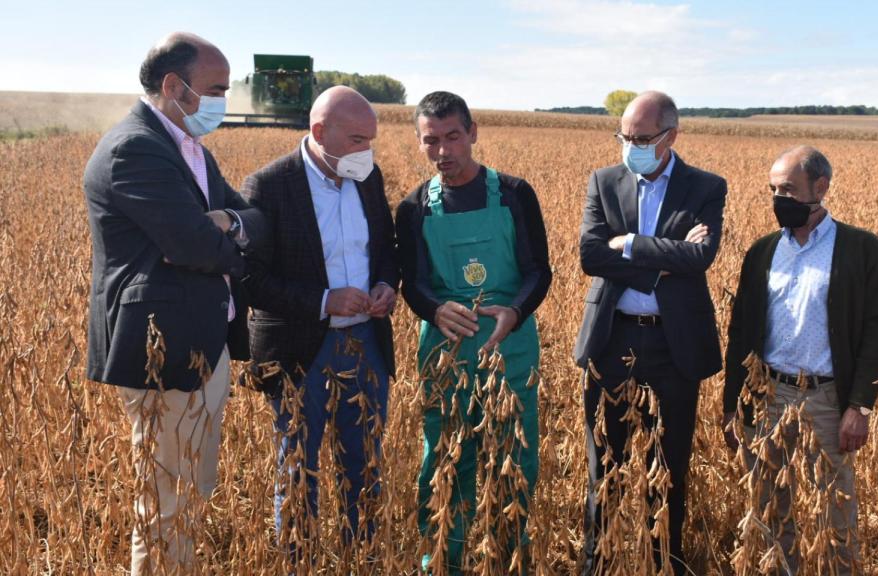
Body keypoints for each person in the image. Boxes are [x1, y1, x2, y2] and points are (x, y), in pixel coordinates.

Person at [83, 32, 264, 575]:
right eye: (215, 88)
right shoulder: (133, 148)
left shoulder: (189, 148)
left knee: (189, 495)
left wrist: (229, 224)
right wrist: (235, 246)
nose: (222, 101)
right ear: (173, 85)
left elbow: (248, 216)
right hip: (164, 356)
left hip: (201, 345)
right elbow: (190, 245)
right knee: (164, 506)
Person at [395, 91, 551, 574]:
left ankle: (509, 561)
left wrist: (516, 312)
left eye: (452, 137)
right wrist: (436, 310)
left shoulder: (514, 193)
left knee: (515, 462)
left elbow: (538, 270)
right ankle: (442, 560)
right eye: (431, 141)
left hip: (512, 347)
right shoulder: (415, 206)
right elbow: (412, 283)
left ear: (473, 133)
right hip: (445, 353)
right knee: (444, 462)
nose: (443, 151)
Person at [722, 145, 878, 574]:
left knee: (835, 514)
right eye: (772, 189)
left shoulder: (860, 248)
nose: (778, 199)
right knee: (768, 510)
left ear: (821, 187)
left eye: (788, 189)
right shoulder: (763, 251)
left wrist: (859, 405)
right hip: (768, 394)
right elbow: (740, 331)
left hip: (826, 399)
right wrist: (732, 404)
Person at [240, 86, 398, 557]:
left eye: (370, 140)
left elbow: (386, 250)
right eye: (356, 140)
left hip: (365, 342)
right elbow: (249, 278)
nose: (365, 151)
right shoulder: (268, 186)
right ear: (318, 132)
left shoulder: (368, 178)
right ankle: (299, 559)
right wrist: (325, 300)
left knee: (364, 460)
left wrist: (388, 286)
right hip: (299, 347)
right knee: (297, 464)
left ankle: (362, 556)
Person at [574, 90, 727, 574]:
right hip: (612, 337)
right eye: (624, 136)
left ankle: (666, 562)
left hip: (672, 344)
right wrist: (664, 259)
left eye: (641, 138)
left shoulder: (705, 187)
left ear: (670, 136)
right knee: (607, 462)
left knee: (669, 465)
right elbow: (590, 255)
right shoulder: (604, 180)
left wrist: (633, 245)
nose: (630, 145)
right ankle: (598, 563)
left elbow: (701, 256)